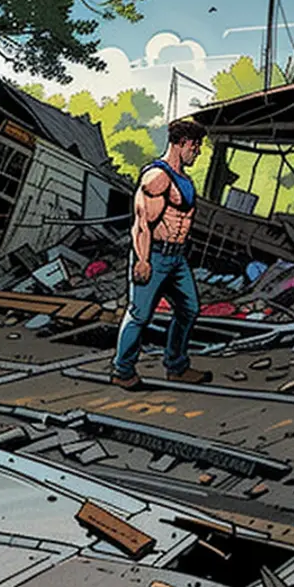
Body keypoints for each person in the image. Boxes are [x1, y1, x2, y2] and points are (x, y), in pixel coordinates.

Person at [111, 119, 212, 388]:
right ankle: (123, 371)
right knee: (139, 314)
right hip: (153, 255)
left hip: (176, 258)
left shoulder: (184, 180)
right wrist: (143, 260)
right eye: (195, 145)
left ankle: (176, 367)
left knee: (189, 309)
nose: (198, 151)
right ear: (180, 144)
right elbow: (142, 222)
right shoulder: (157, 178)